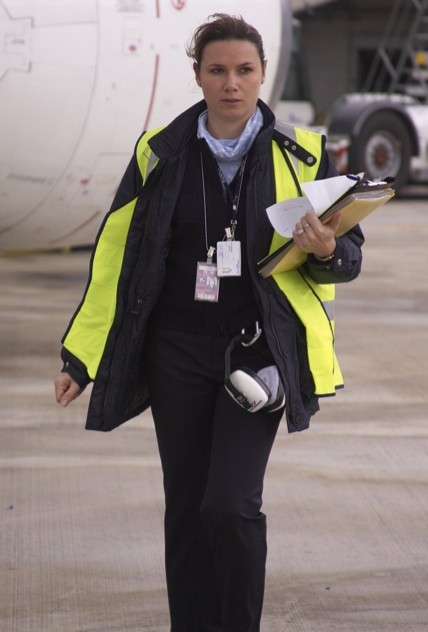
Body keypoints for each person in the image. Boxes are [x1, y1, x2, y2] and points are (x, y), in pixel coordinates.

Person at [54, 13, 364, 632]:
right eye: (218, 70)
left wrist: (327, 249)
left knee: (230, 505)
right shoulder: (159, 153)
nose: (232, 83)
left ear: (262, 75)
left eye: (244, 70)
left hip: (260, 352)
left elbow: (347, 260)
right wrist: (82, 358)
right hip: (177, 354)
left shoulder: (302, 153)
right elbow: (117, 259)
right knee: (188, 509)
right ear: (197, 75)